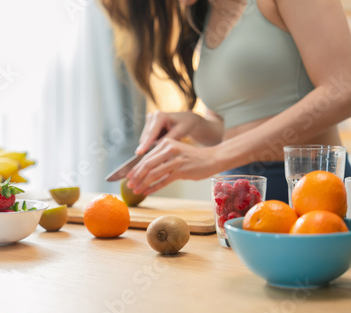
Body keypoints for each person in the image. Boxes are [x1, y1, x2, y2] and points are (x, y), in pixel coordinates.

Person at [101, 0, 351, 203]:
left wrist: (216, 156)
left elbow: (343, 89)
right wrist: (197, 126)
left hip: (310, 189)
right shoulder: (205, 14)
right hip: (237, 195)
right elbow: (237, 130)